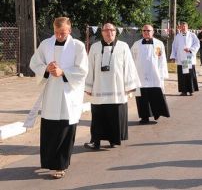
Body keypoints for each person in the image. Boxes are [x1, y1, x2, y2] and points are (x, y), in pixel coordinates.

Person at [29, 17, 88, 179]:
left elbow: (83, 70)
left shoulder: (78, 46)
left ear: (69, 30)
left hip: (69, 95)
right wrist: (46, 69)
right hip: (51, 94)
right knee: (50, 129)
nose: (59, 36)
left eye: (62, 33)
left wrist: (63, 72)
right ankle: (49, 162)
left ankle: (60, 165)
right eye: (56, 33)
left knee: (64, 130)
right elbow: (34, 63)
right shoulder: (46, 44)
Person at [84, 22, 141, 150]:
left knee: (114, 115)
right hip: (98, 88)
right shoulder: (95, 47)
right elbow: (90, 68)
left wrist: (130, 86)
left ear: (116, 32)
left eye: (112, 30)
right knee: (98, 116)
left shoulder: (123, 46)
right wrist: (88, 87)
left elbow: (129, 66)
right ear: (102, 32)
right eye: (106, 30)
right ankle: (96, 141)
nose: (109, 33)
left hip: (117, 88)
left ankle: (114, 140)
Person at [131, 24, 170, 124]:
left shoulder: (159, 44)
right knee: (142, 98)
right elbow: (131, 59)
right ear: (142, 32)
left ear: (153, 32)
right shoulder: (136, 44)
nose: (146, 32)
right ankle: (144, 117)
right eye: (144, 30)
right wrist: (132, 74)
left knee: (156, 95)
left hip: (154, 75)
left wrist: (162, 74)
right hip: (140, 76)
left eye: (148, 31)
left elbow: (162, 59)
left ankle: (157, 113)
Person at [170, 22, 200, 96]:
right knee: (182, 75)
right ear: (180, 28)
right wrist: (173, 56)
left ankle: (191, 90)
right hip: (181, 58)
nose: (183, 28)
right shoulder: (178, 36)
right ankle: (183, 91)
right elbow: (174, 46)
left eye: (184, 26)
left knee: (189, 74)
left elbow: (197, 44)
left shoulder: (192, 35)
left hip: (189, 57)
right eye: (182, 27)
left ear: (187, 27)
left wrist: (190, 49)